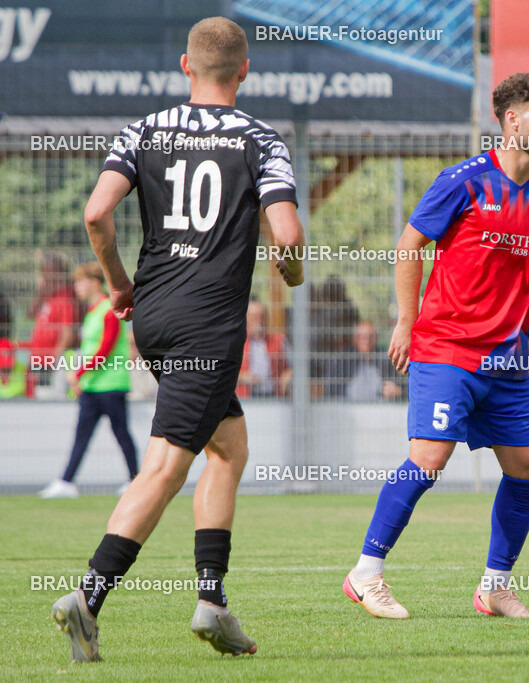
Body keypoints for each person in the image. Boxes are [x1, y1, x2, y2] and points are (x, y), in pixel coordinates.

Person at [50, 17, 305, 663]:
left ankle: (212, 600)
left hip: (155, 317)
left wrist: (116, 284)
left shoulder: (143, 129)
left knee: (227, 444)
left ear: (186, 68)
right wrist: (293, 271)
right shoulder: (260, 140)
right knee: (167, 462)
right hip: (208, 324)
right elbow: (289, 234)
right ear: (245, 70)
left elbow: (95, 212)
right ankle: (88, 594)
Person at [343, 72, 529, 620]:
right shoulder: (462, 181)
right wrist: (405, 321)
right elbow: (409, 245)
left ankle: (495, 586)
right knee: (428, 459)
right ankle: (365, 573)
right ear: (512, 120)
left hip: (508, 361)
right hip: (446, 349)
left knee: (528, 467)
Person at [38, 263, 138, 500]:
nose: (76, 287)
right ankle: (66, 482)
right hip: (92, 387)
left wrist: (78, 373)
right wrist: (81, 380)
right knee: (81, 435)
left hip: (111, 385)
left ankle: (135, 480)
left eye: (79, 282)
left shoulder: (108, 309)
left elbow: (105, 348)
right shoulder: (93, 311)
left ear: (94, 283)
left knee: (121, 433)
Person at [27, 254, 79, 398]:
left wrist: (54, 358)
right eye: (43, 271)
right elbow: (30, 314)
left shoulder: (66, 298)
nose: (44, 275)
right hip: (37, 357)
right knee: (37, 396)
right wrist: (42, 291)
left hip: (51, 361)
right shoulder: (47, 296)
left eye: (48, 271)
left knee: (48, 398)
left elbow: (68, 333)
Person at [325, 321, 403, 401]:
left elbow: (401, 384)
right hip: (348, 408)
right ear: (355, 339)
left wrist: (398, 391)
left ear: (376, 338)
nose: (367, 341)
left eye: (371, 337)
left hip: (380, 408)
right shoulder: (343, 360)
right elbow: (332, 389)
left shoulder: (385, 359)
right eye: (363, 337)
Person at [237, 298, 291, 398]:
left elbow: (293, 367)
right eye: (253, 317)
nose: (259, 321)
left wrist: (287, 376)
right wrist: (242, 377)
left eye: (261, 316)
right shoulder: (236, 343)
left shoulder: (278, 340)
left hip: (273, 395)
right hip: (245, 397)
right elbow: (221, 372)